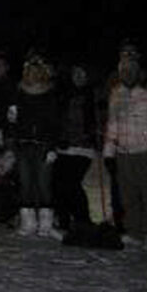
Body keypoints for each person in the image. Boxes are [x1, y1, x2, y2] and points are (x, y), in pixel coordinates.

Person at [102, 41, 147, 250]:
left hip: (145, 151)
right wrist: (109, 153)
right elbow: (112, 124)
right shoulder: (116, 93)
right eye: (123, 66)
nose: (126, 70)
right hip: (123, 152)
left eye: (130, 66)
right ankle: (134, 232)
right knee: (128, 195)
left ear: (137, 67)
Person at [9, 49, 61, 238]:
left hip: (43, 144)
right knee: (25, 183)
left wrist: (53, 147)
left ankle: (46, 223)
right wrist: (13, 137)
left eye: (36, 70)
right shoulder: (19, 92)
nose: (33, 73)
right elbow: (13, 120)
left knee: (43, 184)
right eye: (30, 70)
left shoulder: (50, 93)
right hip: (23, 144)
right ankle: (28, 222)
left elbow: (55, 122)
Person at [54, 64, 97, 231]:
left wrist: (92, 133)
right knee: (59, 183)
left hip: (82, 147)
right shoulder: (64, 94)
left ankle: (82, 218)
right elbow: (59, 119)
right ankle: (63, 218)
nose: (79, 77)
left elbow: (94, 119)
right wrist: (60, 137)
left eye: (82, 74)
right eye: (76, 73)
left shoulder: (91, 94)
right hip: (64, 146)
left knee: (72, 182)